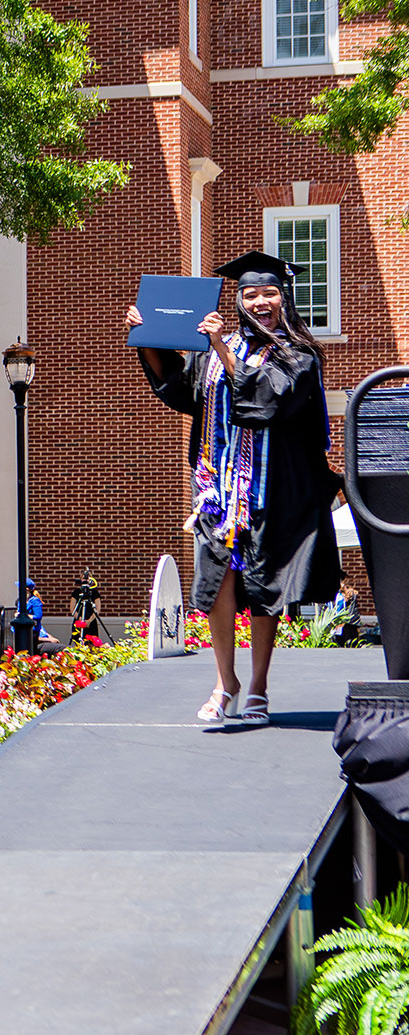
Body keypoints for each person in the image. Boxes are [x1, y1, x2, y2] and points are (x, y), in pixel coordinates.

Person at [128, 251, 343, 724]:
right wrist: (147, 338)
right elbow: (184, 394)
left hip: (273, 494)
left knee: (264, 588)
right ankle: (226, 682)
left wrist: (221, 347)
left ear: (283, 298)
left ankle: (259, 688)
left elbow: (264, 399)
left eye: (268, 292)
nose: (259, 300)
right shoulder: (212, 351)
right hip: (217, 490)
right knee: (216, 583)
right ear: (240, 300)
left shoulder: (298, 355)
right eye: (249, 293)